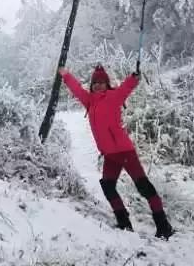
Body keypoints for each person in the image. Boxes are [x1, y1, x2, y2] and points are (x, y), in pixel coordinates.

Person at [59, 64, 175, 239]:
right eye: (95, 82)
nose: (98, 85)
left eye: (101, 82)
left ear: (107, 84)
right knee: (107, 186)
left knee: (144, 187)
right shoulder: (89, 100)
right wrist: (65, 75)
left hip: (124, 151)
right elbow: (76, 89)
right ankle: (124, 223)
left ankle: (163, 226)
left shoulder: (113, 96)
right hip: (110, 155)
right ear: (92, 85)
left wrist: (134, 78)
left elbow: (126, 88)